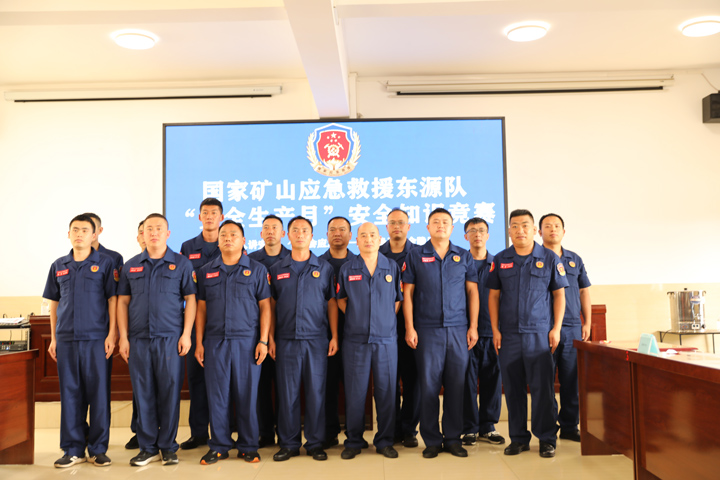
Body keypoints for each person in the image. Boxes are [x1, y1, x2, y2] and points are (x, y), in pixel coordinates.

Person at [486, 209, 568, 459]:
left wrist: (556, 328)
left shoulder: (550, 258)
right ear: (509, 231)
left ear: (534, 230)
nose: (519, 230)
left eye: (525, 226)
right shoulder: (501, 259)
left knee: (543, 390)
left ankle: (546, 439)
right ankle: (519, 438)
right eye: (514, 226)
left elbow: (559, 295)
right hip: (509, 335)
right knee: (513, 389)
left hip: (539, 335)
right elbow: (493, 296)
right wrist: (495, 329)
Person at [117, 213, 197, 466]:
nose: (153, 233)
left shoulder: (182, 264)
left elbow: (191, 299)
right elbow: (122, 302)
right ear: (142, 233)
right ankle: (148, 447)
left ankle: (168, 447)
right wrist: (123, 337)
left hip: (170, 339)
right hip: (138, 339)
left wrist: (186, 334)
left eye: (159, 228)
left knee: (169, 393)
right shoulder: (130, 266)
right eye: (149, 229)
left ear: (168, 233)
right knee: (143, 393)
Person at [402, 208, 479, 459]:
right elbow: (407, 294)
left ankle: (453, 439)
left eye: (445, 222)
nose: (441, 225)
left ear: (452, 228)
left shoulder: (463, 256)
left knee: (456, 386)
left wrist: (473, 326)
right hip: (427, 330)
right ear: (428, 227)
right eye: (436, 222)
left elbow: (472, 292)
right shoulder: (415, 255)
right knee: (428, 387)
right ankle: (432, 440)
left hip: (458, 330)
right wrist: (410, 327)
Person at [42, 214, 117, 468]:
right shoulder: (58, 265)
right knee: (70, 394)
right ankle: (73, 449)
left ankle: (98, 449)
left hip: (97, 339)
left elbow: (113, 300)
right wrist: (53, 338)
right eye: (75, 230)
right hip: (66, 339)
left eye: (85, 230)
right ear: (68, 234)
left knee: (99, 395)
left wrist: (112, 334)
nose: (79, 234)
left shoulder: (105, 263)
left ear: (94, 235)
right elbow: (54, 303)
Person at [195, 220, 271, 464]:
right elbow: (201, 309)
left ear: (243, 240)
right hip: (215, 341)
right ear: (218, 241)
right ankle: (219, 445)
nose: (228, 238)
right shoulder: (206, 271)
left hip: (247, 342)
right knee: (217, 396)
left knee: (247, 396)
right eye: (223, 235)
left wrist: (263, 340)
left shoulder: (257, 270)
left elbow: (265, 307)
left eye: (233, 234)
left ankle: (248, 446)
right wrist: (199, 342)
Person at [269, 216, 338, 462]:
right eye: (295, 230)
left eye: (305, 230)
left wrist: (334, 335)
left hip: (316, 340)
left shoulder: (324, 268)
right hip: (286, 340)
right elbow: (271, 306)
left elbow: (331, 303)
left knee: (316, 393)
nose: (300, 234)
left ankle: (315, 443)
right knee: (288, 394)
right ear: (288, 235)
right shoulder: (277, 269)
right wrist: (270, 338)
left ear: (311, 236)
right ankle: (288, 443)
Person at [336, 223, 403, 459]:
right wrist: (358, 317)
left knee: (386, 391)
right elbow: (341, 299)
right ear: (356, 241)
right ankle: (354, 441)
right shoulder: (347, 268)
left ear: (379, 238)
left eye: (372, 235)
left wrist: (383, 319)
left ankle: (384, 441)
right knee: (355, 392)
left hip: (386, 340)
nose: (368, 239)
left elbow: (397, 300)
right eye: (363, 235)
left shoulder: (391, 267)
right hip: (355, 340)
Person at [539, 213, 592, 443]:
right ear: (539, 232)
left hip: (572, 327)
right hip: (543, 327)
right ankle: (548, 427)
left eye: (557, 226)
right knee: (545, 381)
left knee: (572, 379)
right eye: (547, 226)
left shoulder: (574, 259)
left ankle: (570, 426)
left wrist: (587, 322)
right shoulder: (535, 257)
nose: (553, 229)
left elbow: (584, 291)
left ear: (563, 231)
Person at [179, 198, 224, 450]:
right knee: (196, 379)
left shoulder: (231, 242)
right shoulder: (188, 247)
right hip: (195, 321)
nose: (209, 216)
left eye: (214, 212)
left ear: (221, 217)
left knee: (222, 380)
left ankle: (223, 431)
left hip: (222, 322)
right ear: (199, 217)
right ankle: (198, 433)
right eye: (205, 213)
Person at [461, 218, 505, 447]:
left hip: (492, 331)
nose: (477, 234)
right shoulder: (459, 262)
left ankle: (488, 426)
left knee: (492, 380)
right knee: (466, 381)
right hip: (464, 333)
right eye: (472, 231)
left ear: (488, 235)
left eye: (481, 230)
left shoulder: (499, 263)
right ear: (465, 236)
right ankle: (469, 428)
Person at [248, 214, 290, 448]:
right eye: (266, 228)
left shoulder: (293, 257)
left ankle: (285, 433)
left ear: (283, 233)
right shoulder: (251, 260)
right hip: (258, 333)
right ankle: (265, 432)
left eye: (275, 227)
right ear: (261, 233)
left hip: (287, 331)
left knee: (285, 387)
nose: (271, 231)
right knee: (262, 385)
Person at [379, 208, 419, 448]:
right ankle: (391, 429)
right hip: (383, 329)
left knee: (413, 379)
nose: (397, 226)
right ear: (386, 227)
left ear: (408, 227)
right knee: (388, 381)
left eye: (401, 222)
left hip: (412, 327)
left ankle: (409, 429)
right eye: (392, 223)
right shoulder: (376, 254)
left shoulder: (419, 253)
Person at [318, 216, 358, 449]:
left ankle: (354, 433)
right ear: (326, 235)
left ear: (350, 235)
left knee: (354, 385)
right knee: (328, 384)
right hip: (324, 333)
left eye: (342, 229)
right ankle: (330, 432)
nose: (337, 233)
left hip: (356, 331)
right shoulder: (318, 263)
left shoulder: (360, 262)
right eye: (332, 229)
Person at [125, 220, 146, 451]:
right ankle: (139, 432)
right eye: (142, 232)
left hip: (165, 335)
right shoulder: (130, 266)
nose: (146, 235)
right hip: (138, 335)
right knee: (140, 389)